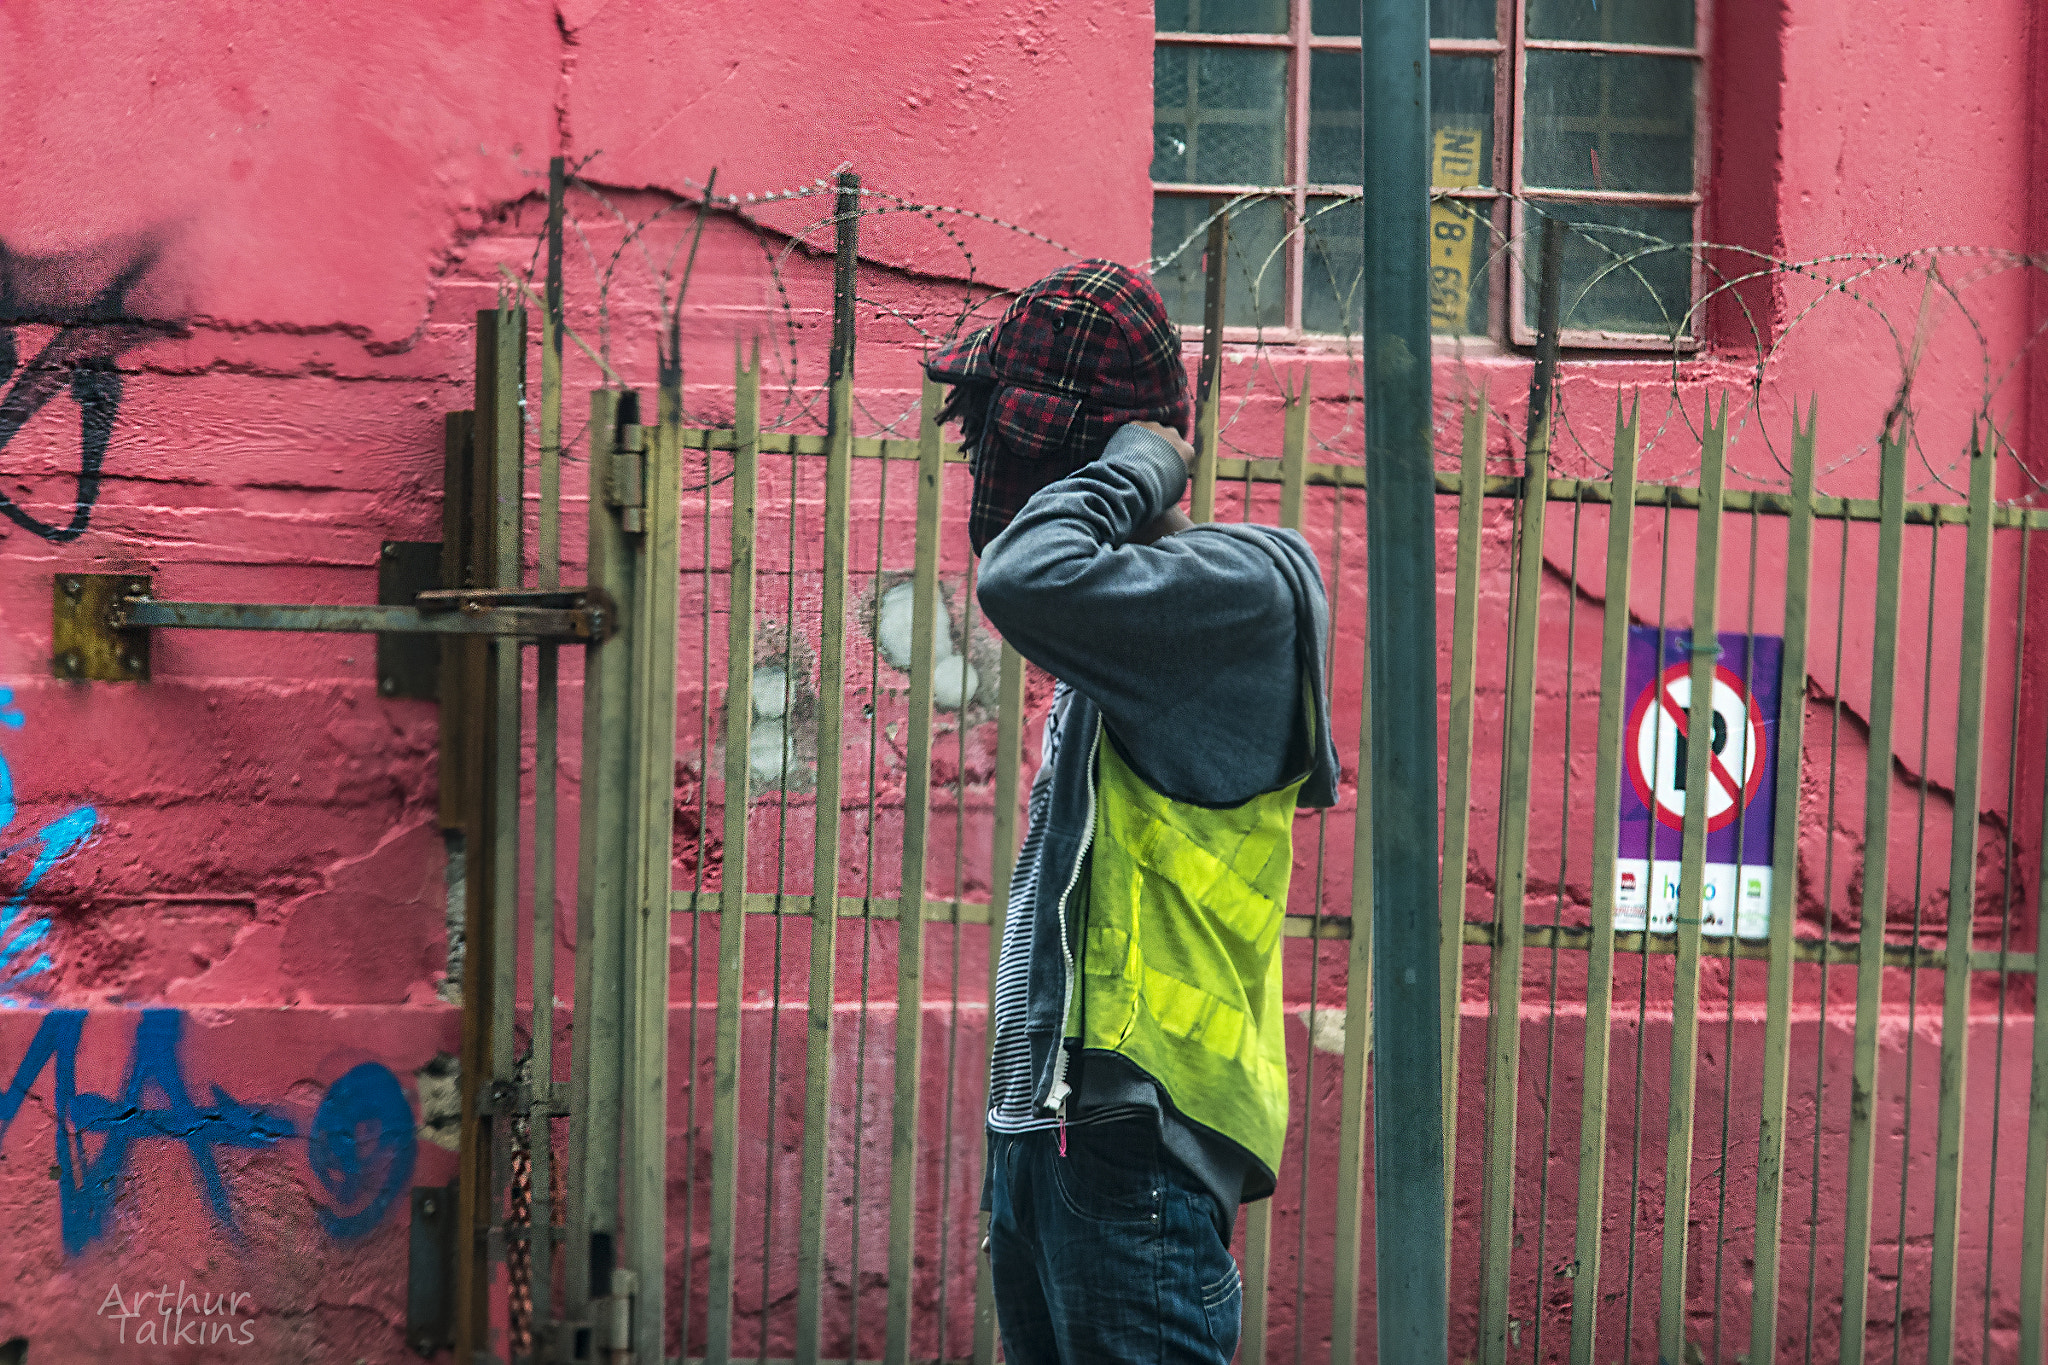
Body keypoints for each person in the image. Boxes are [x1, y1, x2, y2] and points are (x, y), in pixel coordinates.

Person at [927, 259, 1340, 1364]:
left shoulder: (1230, 601)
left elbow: (1018, 577)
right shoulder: (1132, 626)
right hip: (1050, 1134)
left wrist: (1140, 458)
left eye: (1015, 447)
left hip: (1136, 1137)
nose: (991, 473)